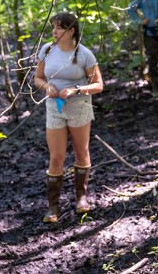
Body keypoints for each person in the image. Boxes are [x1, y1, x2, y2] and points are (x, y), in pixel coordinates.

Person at [34, 13, 104, 223]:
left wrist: (77, 90)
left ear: (71, 31)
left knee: (81, 151)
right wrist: (48, 87)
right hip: (54, 107)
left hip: (79, 106)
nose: (54, 32)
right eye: (53, 28)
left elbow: (99, 85)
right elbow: (38, 78)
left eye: (58, 28)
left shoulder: (84, 54)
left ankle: (81, 198)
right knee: (56, 156)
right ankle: (53, 207)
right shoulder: (47, 50)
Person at [128, 0, 158, 98]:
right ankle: (156, 88)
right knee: (152, 61)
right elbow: (130, 9)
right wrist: (140, 21)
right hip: (150, 33)